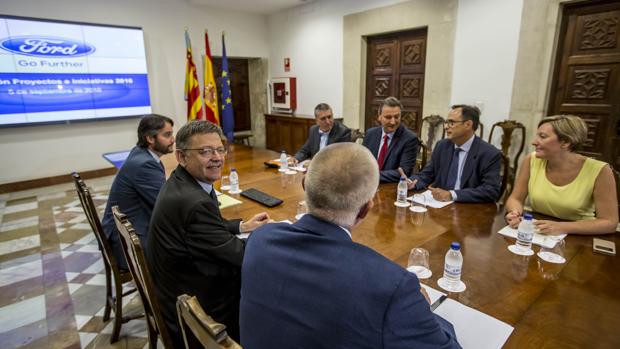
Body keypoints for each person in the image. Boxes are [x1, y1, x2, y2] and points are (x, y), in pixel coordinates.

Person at [240, 142, 461, 349]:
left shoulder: (260, 239)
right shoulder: (391, 286)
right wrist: (420, 308)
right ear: (366, 208)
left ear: (305, 184)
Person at [147, 121, 270, 347]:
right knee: (267, 296)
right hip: (193, 307)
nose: (217, 157)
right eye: (205, 151)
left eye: (220, 149)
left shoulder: (182, 181)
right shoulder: (193, 202)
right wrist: (276, 239)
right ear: (182, 157)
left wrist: (241, 227)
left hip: (176, 287)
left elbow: (208, 226)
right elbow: (241, 256)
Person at [505, 115, 618, 235]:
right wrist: (515, 213)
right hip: (538, 232)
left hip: (579, 236)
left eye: (542, 137)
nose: (534, 142)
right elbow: (515, 198)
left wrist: (562, 227)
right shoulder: (531, 160)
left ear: (566, 142)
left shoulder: (600, 170)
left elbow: (609, 223)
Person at [101, 114, 174, 269]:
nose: (172, 139)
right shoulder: (145, 164)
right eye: (167, 135)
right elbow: (166, 205)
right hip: (126, 242)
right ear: (150, 139)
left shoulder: (141, 153)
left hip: (126, 230)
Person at [405, 104, 502, 203]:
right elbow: (428, 174)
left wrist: (452, 195)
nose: (446, 127)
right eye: (446, 122)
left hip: (470, 208)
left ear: (468, 124)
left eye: (451, 123)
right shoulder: (442, 146)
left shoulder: (489, 154)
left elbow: (491, 191)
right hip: (439, 206)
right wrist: (412, 182)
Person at [363, 96, 419, 182]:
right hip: (367, 184)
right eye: (388, 117)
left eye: (396, 117)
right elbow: (363, 163)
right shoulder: (370, 134)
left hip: (391, 187)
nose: (393, 122)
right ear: (379, 116)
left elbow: (403, 172)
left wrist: (372, 175)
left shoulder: (410, 139)